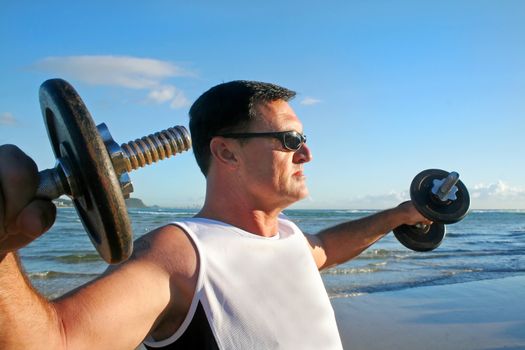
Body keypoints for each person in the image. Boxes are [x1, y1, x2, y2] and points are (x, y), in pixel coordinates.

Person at [0, 80, 429, 349]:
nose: (307, 153)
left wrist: (396, 215)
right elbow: (55, 341)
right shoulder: (180, 254)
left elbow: (324, 248)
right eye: (290, 138)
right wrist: (3, 245)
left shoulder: (287, 237)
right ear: (226, 152)